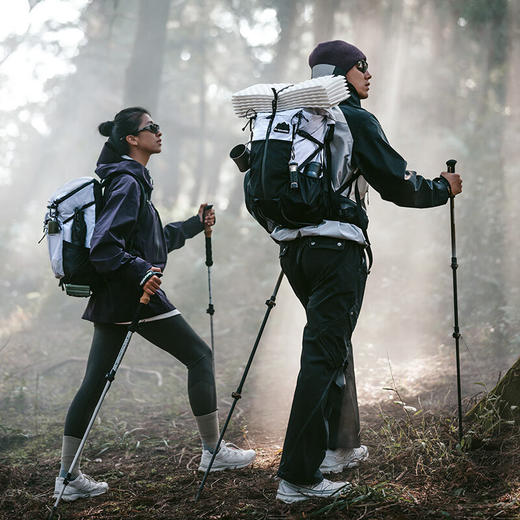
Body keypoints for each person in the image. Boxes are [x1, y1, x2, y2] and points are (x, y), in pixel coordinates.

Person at [274, 41, 462, 503]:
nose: (368, 74)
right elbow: (397, 184)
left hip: (294, 251)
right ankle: (297, 478)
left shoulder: (292, 121)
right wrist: (443, 187)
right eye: (362, 66)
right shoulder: (351, 118)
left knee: (331, 342)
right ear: (343, 72)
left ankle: (339, 447)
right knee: (323, 352)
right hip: (337, 251)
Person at [53, 107, 255, 503]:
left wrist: (194, 225)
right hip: (135, 294)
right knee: (199, 356)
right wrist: (143, 272)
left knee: (94, 382)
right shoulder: (127, 182)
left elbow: (151, 240)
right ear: (132, 139)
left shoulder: (128, 182)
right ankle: (212, 452)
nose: (159, 133)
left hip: (115, 295)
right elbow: (105, 248)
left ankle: (67, 475)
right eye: (152, 128)